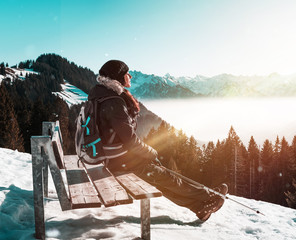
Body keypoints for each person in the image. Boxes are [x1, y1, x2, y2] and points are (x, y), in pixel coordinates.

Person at [88, 60, 228, 222]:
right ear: (118, 77)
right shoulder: (113, 101)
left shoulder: (100, 94)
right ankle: (210, 197)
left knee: (158, 178)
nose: (130, 76)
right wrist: (151, 152)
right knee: (163, 175)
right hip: (117, 161)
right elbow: (130, 140)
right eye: (127, 73)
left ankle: (200, 207)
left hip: (109, 157)